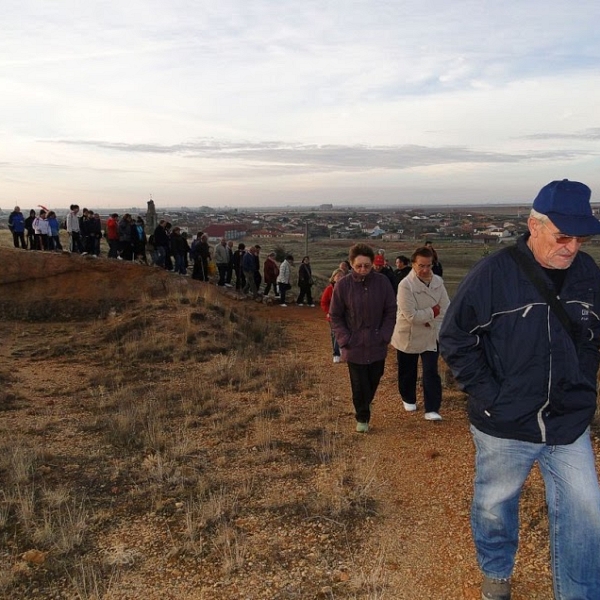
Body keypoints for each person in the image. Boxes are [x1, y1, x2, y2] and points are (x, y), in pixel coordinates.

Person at [439, 179, 600, 600]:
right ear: (533, 225)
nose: (572, 247)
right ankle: (496, 572)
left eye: (580, 238)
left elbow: (593, 337)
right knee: (495, 506)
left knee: (588, 513)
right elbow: (455, 338)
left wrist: (583, 383)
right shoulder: (493, 274)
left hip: (568, 422)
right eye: (562, 236)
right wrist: (493, 396)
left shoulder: (588, 274)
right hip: (505, 423)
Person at [329, 243, 397, 433]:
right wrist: (345, 339)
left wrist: (384, 334)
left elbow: (390, 311)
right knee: (358, 384)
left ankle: (365, 404)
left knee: (374, 378)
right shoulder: (343, 285)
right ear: (351, 264)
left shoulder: (382, 282)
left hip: (377, 343)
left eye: (367, 265)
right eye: (359, 266)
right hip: (354, 345)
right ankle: (362, 417)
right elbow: (335, 315)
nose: (363, 269)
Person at [391, 247, 450, 421]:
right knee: (407, 370)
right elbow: (411, 315)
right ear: (413, 264)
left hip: (431, 333)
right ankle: (408, 397)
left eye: (429, 266)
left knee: (431, 371)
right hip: (409, 333)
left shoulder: (438, 282)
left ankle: (432, 408)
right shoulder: (405, 285)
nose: (425, 270)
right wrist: (433, 312)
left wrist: (429, 317)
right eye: (421, 266)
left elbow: (445, 308)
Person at [320, 268, 345, 363]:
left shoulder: (347, 288)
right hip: (333, 316)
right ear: (333, 278)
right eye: (338, 276)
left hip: (345, 316)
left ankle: (342, 349)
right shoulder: (329, 289)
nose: (340, 278)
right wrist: (328, 312)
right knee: (335, 334)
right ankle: (336, 353)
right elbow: (323, 302)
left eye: (342, 276)